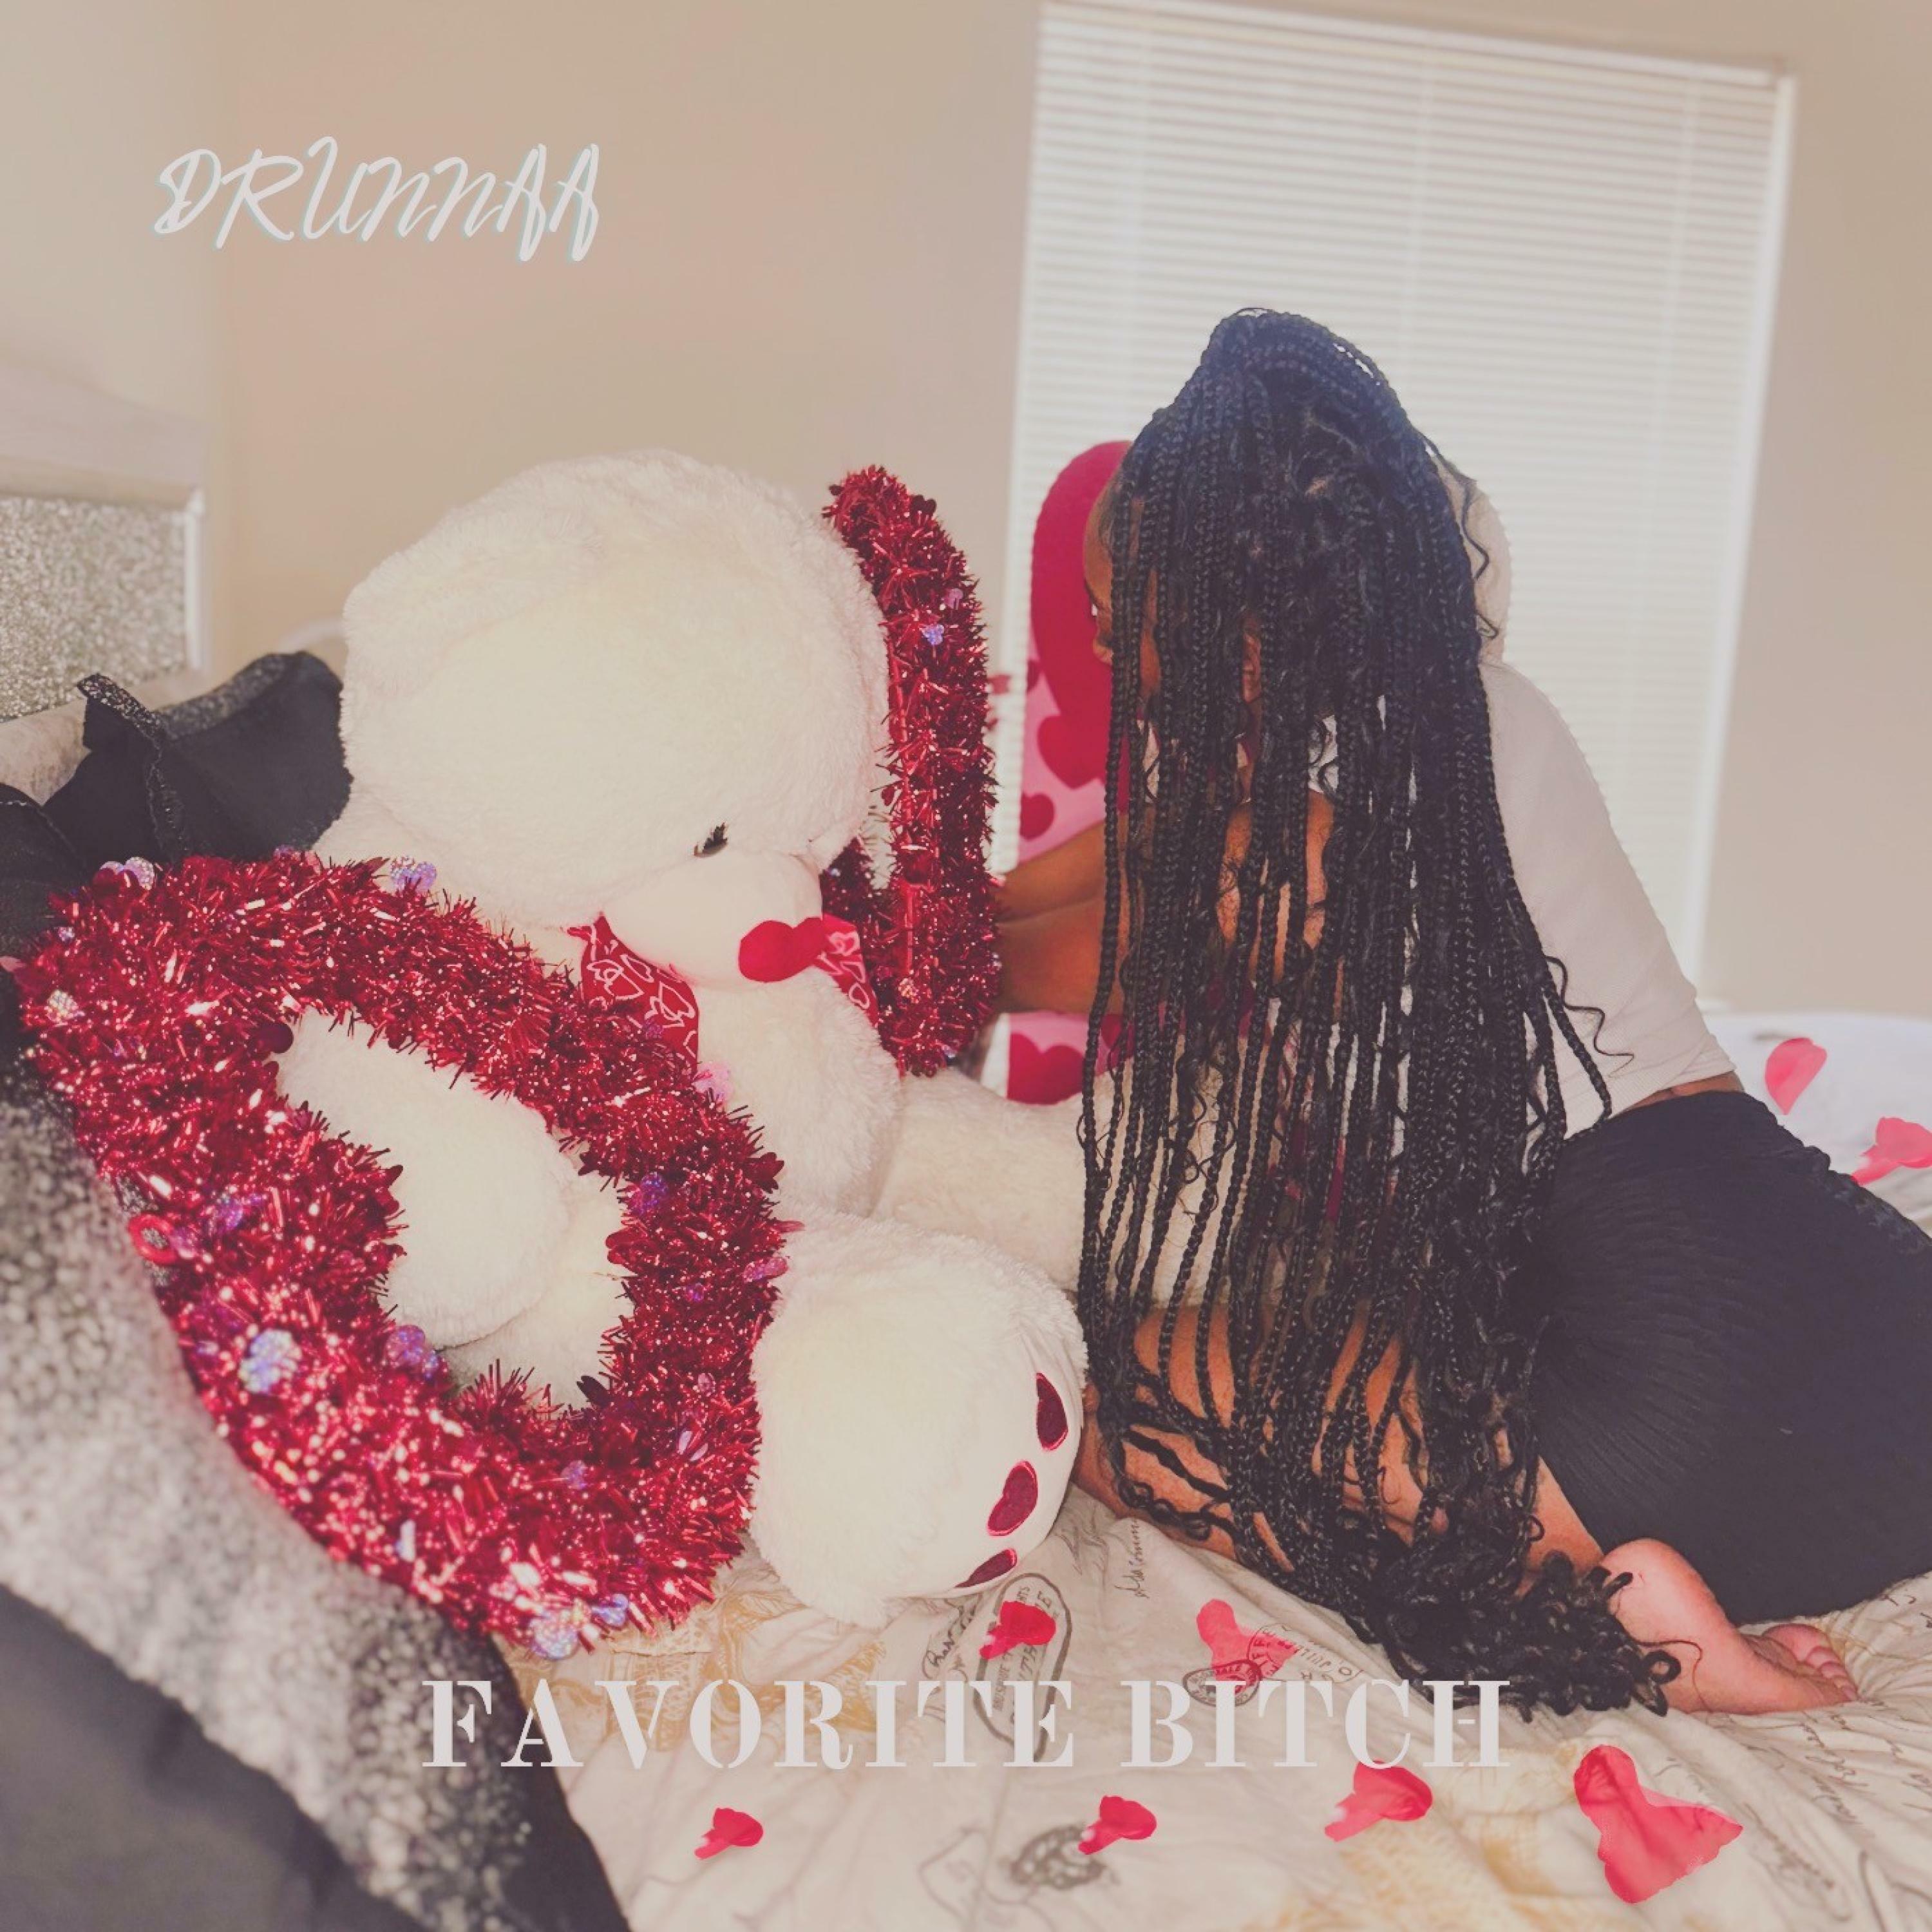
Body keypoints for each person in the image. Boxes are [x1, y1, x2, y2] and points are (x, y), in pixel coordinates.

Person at [995, 309, 1932, 1716]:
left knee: (1097, 1400)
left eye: (1128, 625)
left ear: (1234, 620)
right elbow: (1112, 867)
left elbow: (1079, 953)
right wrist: (923, 908)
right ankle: (1667, 1597)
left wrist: (896, 965)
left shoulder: (1309, 832)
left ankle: (1599, 1621)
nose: (1114, 655)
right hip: (1885, 1366)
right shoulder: (1470, 715)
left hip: (1669, 1368)